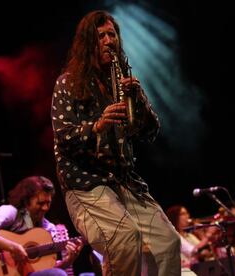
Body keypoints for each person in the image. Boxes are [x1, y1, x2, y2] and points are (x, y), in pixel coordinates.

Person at [50, 10, 181, 276]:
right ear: (88, 43)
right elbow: (64, 137)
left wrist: (139, 102)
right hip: (85, 183)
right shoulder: (68, 83)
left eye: (112, 35)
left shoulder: (121, 84)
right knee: (123, 238)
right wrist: (97, 125)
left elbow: (149, 131)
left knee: (168, 242)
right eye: (101, 36)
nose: (109, 41)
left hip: (123, 181)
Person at [0, 176, 83, 276]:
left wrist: (67, 261)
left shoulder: (49, 229)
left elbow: (46, 271)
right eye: (40, 203)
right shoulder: (11, 212)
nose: (45, 208)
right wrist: (12, 247)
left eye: (48, 203)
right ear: (26, 201)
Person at [166, 205, 217, 269]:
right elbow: (193, 250)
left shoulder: (189, 235)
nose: (188, 216)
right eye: (183, 214)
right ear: (175, 217)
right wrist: (209, 234)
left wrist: (201, 234)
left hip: (198, 268)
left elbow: (201, 250)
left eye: (187, 213)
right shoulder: (174, 236)